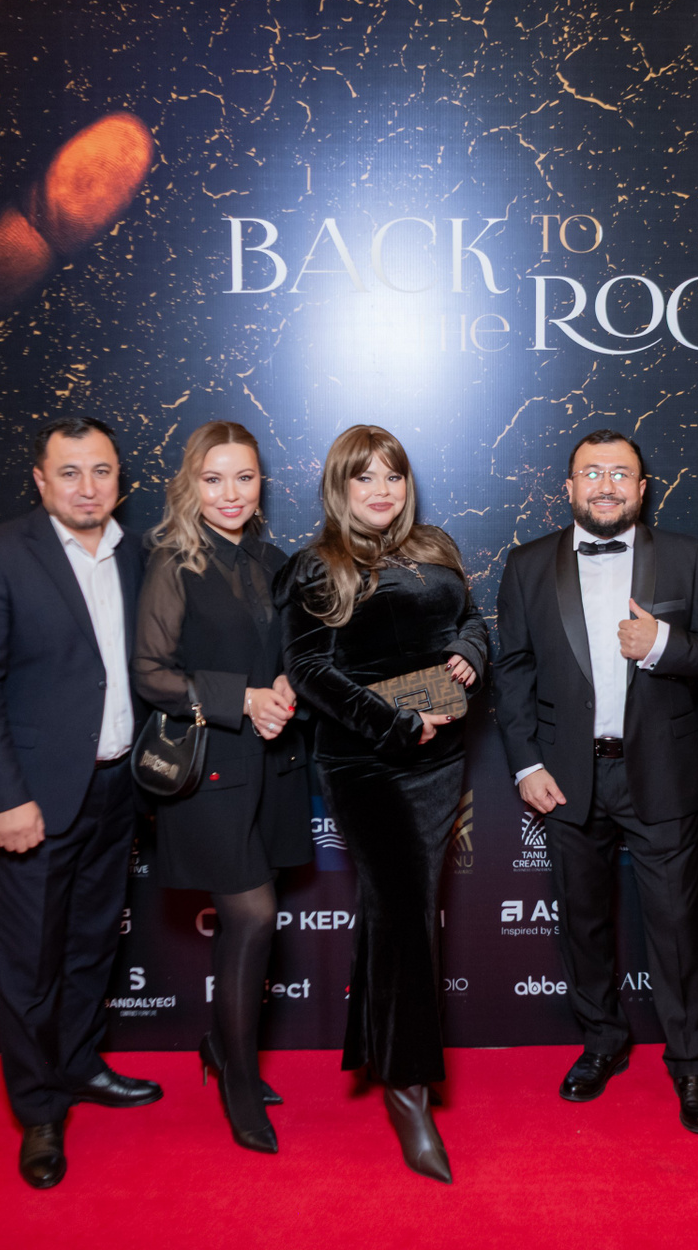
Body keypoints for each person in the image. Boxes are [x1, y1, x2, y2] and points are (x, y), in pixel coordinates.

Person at [491, 430, 698, 1135]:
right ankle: (602, 1041)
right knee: (583, 924)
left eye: (621, 473)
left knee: (678, 929)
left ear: (642, 488)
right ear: (568, 487)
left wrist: (662, 644)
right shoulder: (527, 564)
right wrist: (527, 764)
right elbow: (513, 672)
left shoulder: (686, 556)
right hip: (566, 776)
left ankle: (692, 1066)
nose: (606, 485)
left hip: (661, 771)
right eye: (592, 473)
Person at [0, 416, 163, 1190]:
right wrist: (6, 798)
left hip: (118, 788)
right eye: (69, 472)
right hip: (35, 799)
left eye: (100, 471)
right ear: (40, 480)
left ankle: (78, 1066)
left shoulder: (137, 553)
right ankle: (39, 1109)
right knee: (30, 964)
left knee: (91, 946)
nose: (86, 487)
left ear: (120, 481)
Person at [276, 425, 488, 1183]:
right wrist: (393, 724)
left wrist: (472, 651)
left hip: (439, 761)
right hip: (366, 764)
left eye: (392, 476)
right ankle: (408, 1090)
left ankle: (376, 1047)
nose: (381, 490)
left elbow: (467, 620)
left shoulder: (435, 547)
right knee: (403, 914)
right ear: (340, 487)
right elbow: (308, 670)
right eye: (364, 477)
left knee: (395, 910)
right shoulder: (315, 565)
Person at [131, 421, 310, 1155]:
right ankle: (239, 1079)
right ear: (191, 485)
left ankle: (220, 1045)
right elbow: (150, 673)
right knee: (254, 916)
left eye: (244, 477)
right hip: (208, 771)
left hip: (274, 766)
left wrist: (289, 684)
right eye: (213, 479)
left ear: (262, 483)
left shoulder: (276, 561)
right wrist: (243, 697)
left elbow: (293, 654)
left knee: (246, 926)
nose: (230, 493)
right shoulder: (173, 561)